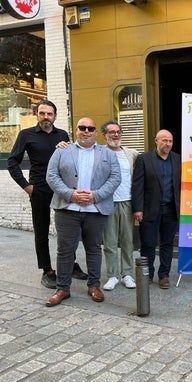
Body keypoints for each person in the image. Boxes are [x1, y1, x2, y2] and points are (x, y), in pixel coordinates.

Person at [7, 99, 87, 289]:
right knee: (41, 231)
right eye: (42, 113)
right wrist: (27, 186)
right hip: (40, 190)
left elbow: (70, 160)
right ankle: (47, 271)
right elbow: (12, 162)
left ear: (55, 116)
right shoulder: (26, 135)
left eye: (49, 114)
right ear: (37, 114)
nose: (46, 117)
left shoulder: (62, 134)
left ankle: (71, 264)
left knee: (68, 231)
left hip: (61, 189)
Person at [45, 118, 121, 307]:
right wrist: (70, 194)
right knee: (64, 250)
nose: (86, 131)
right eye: (82, 128)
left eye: (90, 128)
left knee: (94, 249)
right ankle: (63, 288)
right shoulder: (62, 150)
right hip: (67, 209)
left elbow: (115, 178)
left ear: (96, 132)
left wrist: (96, 196)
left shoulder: (108, 153)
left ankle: (94, 285)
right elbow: (51, 176)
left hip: (96, 210)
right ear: (76, 130)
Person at [131, 129, 181, 290]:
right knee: (148, 244)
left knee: (167, 244)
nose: (168, 144)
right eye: (164, 140)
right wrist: (137, 209)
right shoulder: (144, 159)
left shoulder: (177, 159)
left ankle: (164, 275)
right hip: (149, 209)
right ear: (156, 141)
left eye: (170, 141)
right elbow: (137, 185)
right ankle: (148, 274)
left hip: (171, 210)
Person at [100, 120, 139, 290]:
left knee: (127, 241)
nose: (115, 135)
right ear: (104, 135)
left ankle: (127, 274)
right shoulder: (99, 153)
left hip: (127, 201)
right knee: (109, 242)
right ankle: (113, 275)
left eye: (118, 132)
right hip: (107, 202)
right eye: (111, 132)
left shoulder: (132, 154)